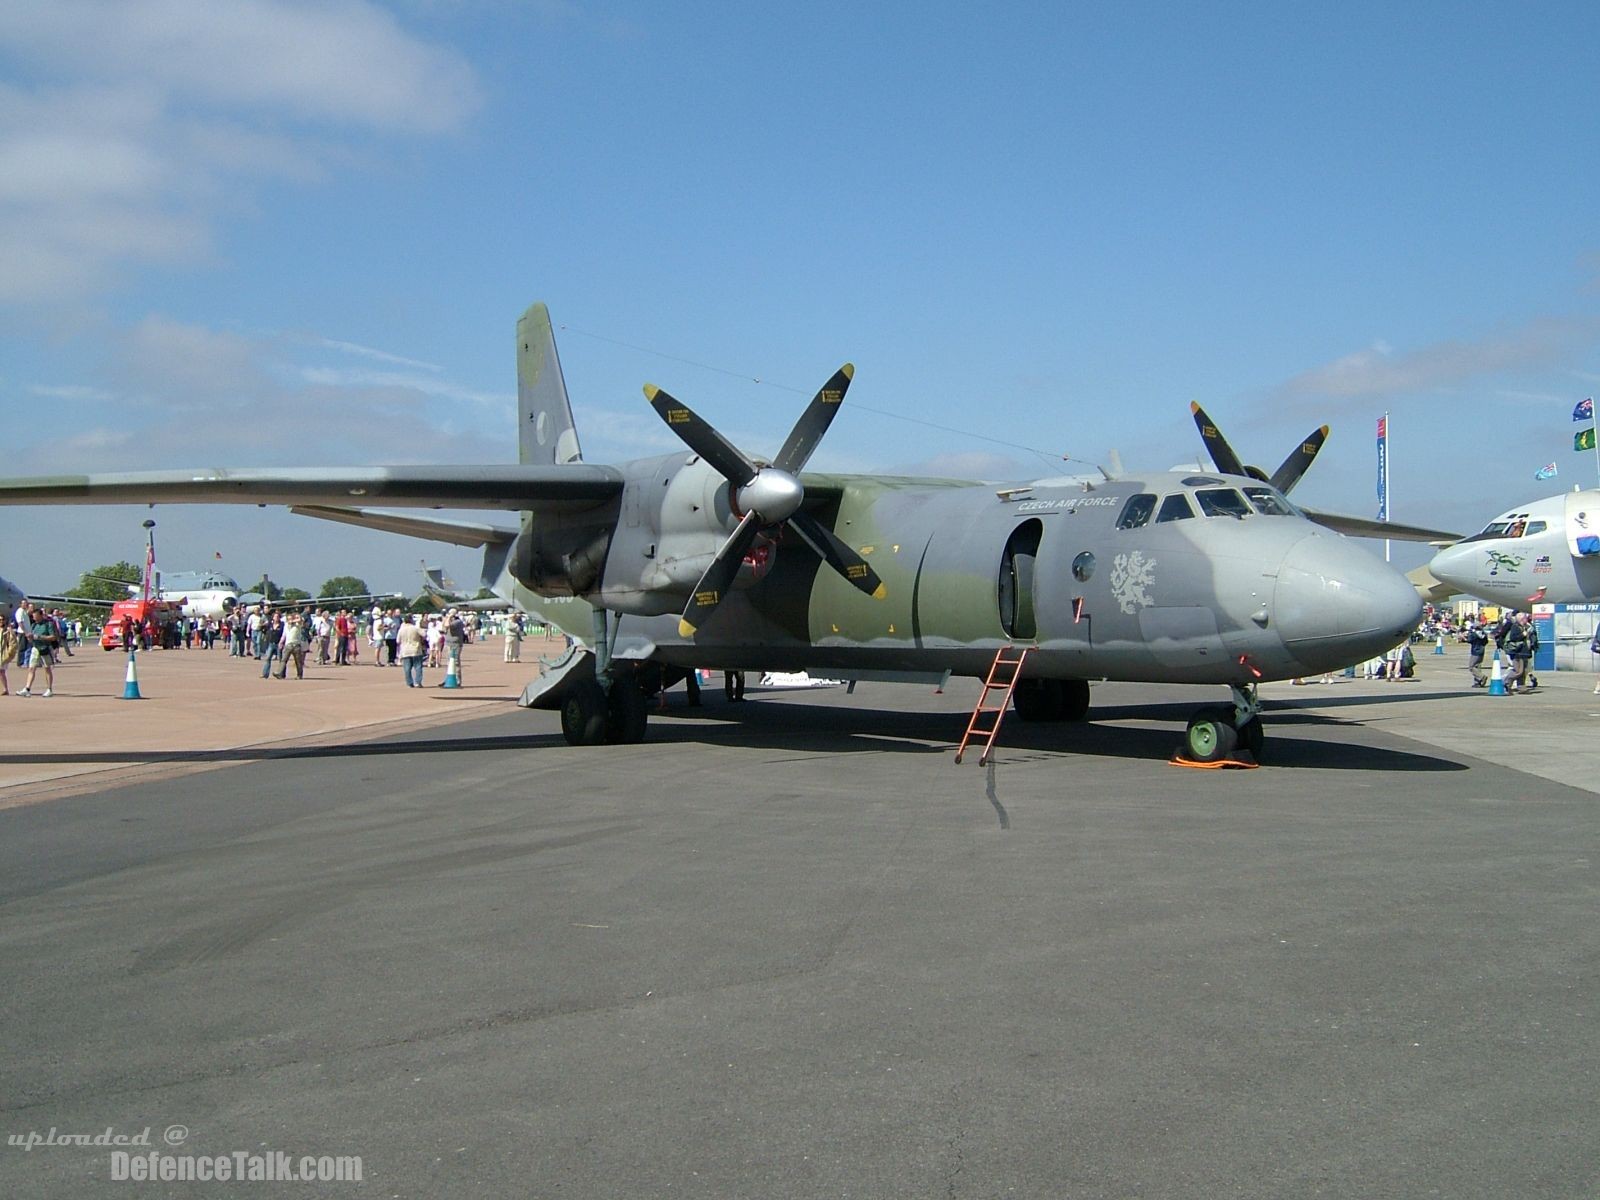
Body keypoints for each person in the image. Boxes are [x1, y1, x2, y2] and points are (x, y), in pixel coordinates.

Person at [19, 604, 59, 697]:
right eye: (33, 617)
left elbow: (53, 637)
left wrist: (39, 637)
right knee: (31, 668)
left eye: (36, 616)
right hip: (35, 648)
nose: (34, 618)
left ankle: (49, 689)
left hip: (45, 648)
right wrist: (30, 638)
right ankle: (27, 688)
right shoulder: (34, 625)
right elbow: (32, 637)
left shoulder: (48, 624)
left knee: (47, 668)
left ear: (41, 615)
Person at [1502, 614, 1532, 693]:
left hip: (1524, 652)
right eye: (1525, 619)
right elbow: (1513, 638)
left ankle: (1521, 687)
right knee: (1518, 671)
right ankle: (1506, 682)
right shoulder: (1515, 627)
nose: (1527, 620)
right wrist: (1523, 635)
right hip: (1518, 652)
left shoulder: (1525, 627)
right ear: (1521, 619)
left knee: (1523, 672)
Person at [398, 613, 427, 687]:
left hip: (405, 650)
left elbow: (398, 641)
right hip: (415, 649)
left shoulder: (401, 630)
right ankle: (417, 682)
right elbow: (424, 634)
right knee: (418, 667)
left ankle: (409, 683)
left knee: (407, 668)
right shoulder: (415, 628)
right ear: (411, 620)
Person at [1466, 619, 1489, 687]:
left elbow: (1469, 640)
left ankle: (1482, 677)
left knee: (1471, 667)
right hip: (1482, 650)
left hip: (1475, 651)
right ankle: (1478, 682)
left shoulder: (1474, 634)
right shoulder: (1483, 634)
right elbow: (1486, 642)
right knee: (1477, 666)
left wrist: (1467, 636)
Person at [0, 617, 19, 695]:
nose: (1, 621)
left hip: (3, 654)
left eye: (2, 619)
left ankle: (5, 689)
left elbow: (13, 642)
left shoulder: (8, 630)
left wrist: (9, 652)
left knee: (1, 671)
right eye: (0, 620)